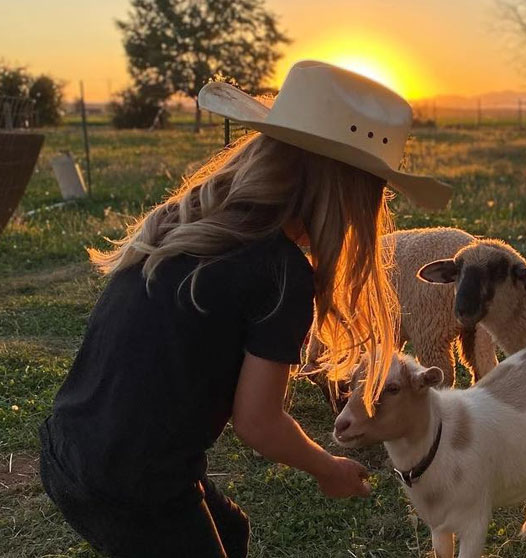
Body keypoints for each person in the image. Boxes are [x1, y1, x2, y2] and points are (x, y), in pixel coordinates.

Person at [39, 61, 451, 558]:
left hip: (70, 446)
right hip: (135, 483)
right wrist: (329, 467)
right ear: (348, 196)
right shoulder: (279, 273)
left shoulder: (189, 220)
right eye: (375, 196)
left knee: (229, 534)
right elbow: (258, 423)